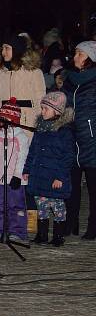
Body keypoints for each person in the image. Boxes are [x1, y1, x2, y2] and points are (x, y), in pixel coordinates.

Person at [23, 92, 75, 246]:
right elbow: (32, 151)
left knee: (58, 207)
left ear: (57, 111)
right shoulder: (40, 130)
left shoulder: (64, 132)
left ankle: (58, 236)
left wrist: (60, 177)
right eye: (42, 108)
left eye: (46, 108)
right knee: (42, 206)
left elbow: (68, 157)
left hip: (55, 178)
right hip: (40, 176)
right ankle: (42, 234)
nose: (42, 111)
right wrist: (27, 170)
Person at [62, 41, 96, 239]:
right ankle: (70, 222)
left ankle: (93, 226)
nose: (75, 57)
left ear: (90, 58)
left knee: (93, 187)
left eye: (80, 54)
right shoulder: (70, 79)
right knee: (71, 185)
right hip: (71, 137)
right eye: (75, 53)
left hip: (92, 138)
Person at [0, 98, 30, 241]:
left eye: (5, 118)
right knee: (0, 206)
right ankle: (0, 230)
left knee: (16, 206)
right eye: (1, 118)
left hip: (14, 180)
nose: (1, 121)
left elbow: (22, 157)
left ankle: (17, 231)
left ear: (13, 119)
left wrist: (18, 175)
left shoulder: (21, 137)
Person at [0, 34, 45, 135]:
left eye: (7, 48)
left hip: (26, 123)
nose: (3, 52)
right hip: (3, 122)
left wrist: (39, 125)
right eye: (3, 48)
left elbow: (40, 101)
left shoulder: (34, 72)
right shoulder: (0, 73)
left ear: (17, 50)